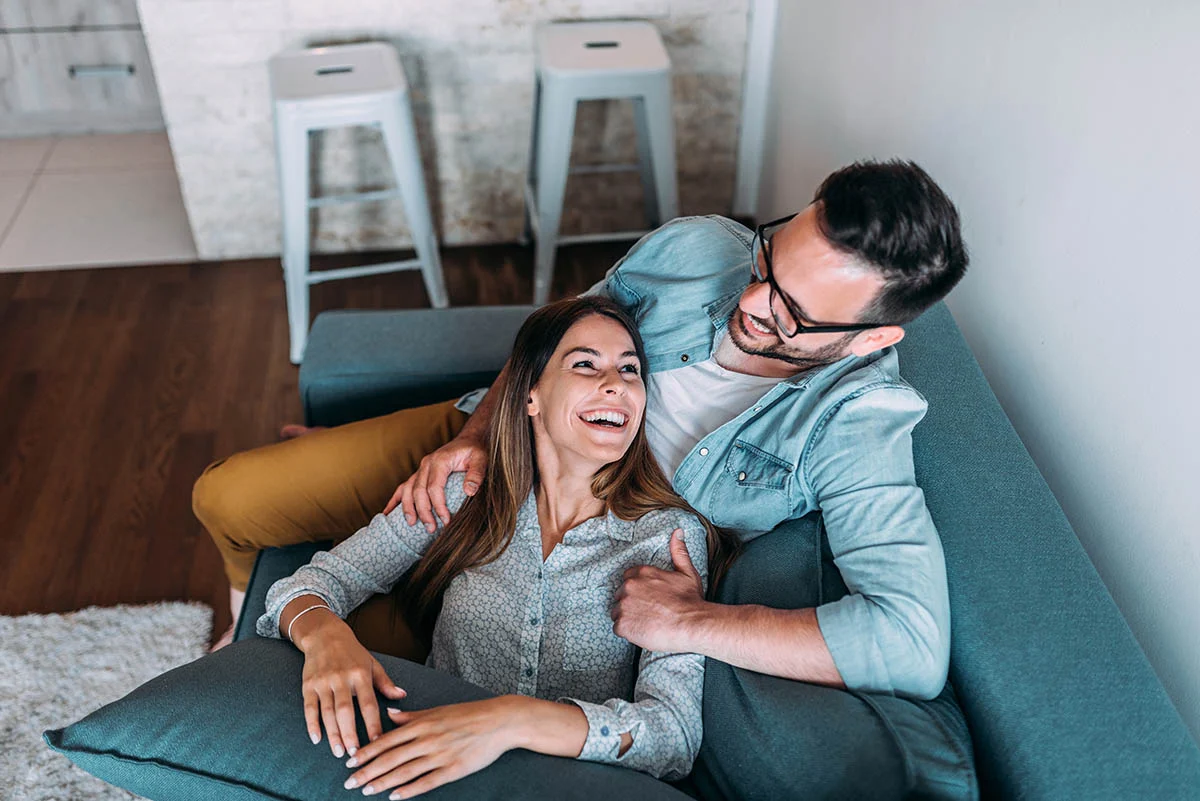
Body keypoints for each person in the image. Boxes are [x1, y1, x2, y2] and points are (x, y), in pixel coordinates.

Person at [194, 159, 973, 794]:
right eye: (770, 259)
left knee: (324, 688)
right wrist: (471, 438)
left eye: (792, 315)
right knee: (229, 497)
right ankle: (241, 601)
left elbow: (908, 643)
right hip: (491, 444)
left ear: (871, 337)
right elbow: (566, 336)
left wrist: (686, 623)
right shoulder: (700, 248)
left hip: (590, 535)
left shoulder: (861, 421)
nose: (753, 300)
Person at [256, 297, 739, 797]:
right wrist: (326, 639)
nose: (615, 383)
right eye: (585, 364)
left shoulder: (669, 537)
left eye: (630, 369)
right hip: (426, 780)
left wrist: (508, 720)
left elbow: (673, 736)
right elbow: (312, 585)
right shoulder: (463, 492)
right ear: (530, 394)